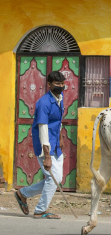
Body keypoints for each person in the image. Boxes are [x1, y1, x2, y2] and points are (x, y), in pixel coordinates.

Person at [14, 71, 66, 219]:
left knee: (56, 178)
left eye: (62, 84)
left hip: (56, 142)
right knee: (53, 176)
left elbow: (58, 121)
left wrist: (61, 137)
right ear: (49, 85)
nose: (60, 87)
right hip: (45, 145)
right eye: (57, 84)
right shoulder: (43, 103)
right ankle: (40, 210)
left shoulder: (60, 99)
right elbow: (43, 129)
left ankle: (22, 194)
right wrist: (47, 156)